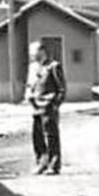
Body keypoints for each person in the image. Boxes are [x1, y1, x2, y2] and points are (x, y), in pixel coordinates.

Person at [25, 40, 66, 174]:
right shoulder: (33, 67)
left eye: (34, 52)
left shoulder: (54, 66)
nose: (32, 55)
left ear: (42, 51)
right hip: (35, 106)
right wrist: (28, 96)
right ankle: (41, 163)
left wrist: (55, 105)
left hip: (48, 106)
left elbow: (61, 88)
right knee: (37, 137)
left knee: (51, 136)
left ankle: (54, 165)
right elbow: (30, 85)